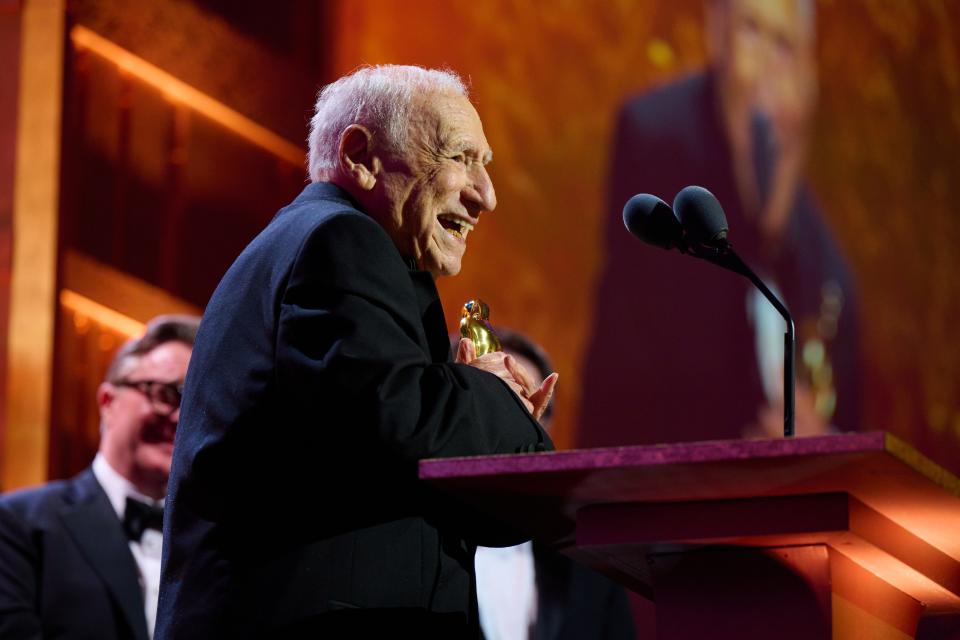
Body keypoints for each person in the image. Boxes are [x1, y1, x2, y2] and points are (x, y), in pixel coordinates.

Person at [156, 65, 559, 639]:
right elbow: (400, 421)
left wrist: (480, 421)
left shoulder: (324, 246)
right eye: (461, 157)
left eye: (485, 165)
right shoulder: (338, 240)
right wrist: (491, 393)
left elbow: (390, 463)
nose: (485, 196)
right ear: (361, 154)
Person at [580, 0, 859, 447]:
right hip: (659, 474)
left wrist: (819, 442)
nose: (766, 66)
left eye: (785, 46)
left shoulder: (827, 262)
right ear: (716, 32)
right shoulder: (658, 140)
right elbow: (652, 357)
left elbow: (843, 409)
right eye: (751, 30)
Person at [0, 315, 199, 640]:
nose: (180, 417)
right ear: (108, 402)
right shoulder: (17, 524)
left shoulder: (215, 543)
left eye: (193, 404)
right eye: (167, 395)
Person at [475, 329, 636, 640]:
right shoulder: (409, 548)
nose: (520, 424)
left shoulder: (590, 558)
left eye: (535, 406)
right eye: (502, 402)